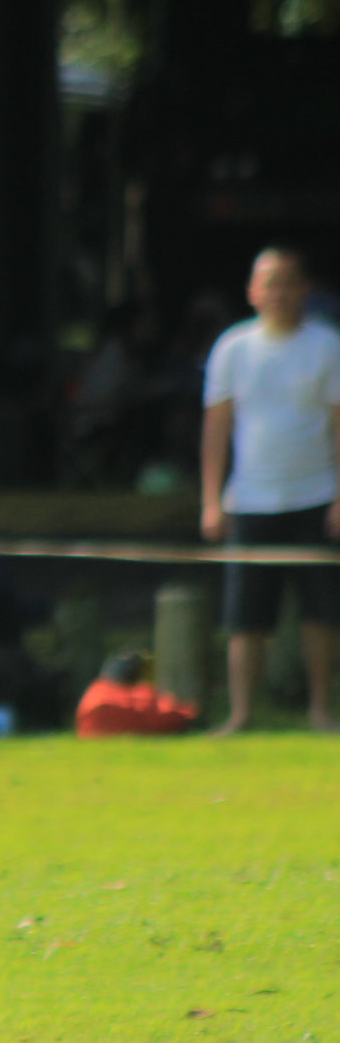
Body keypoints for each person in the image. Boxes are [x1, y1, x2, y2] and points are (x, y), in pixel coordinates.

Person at [200, 246, 340, 734]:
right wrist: (211, 500)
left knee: (322, 614)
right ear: (252, 292)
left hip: (316, 497)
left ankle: (321, 710)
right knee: (245, 619)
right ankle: (241, 714)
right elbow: (217, 429)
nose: (278, 292)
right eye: (269, 283)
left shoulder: (327, 346)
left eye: (288, 282)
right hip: (251, 500)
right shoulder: (232, 348)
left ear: (304, 289)